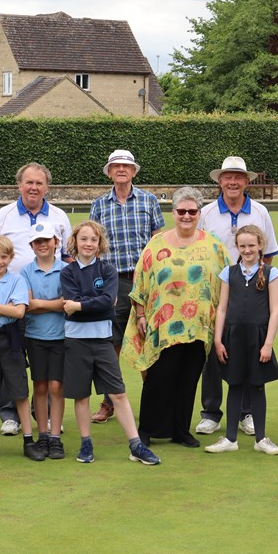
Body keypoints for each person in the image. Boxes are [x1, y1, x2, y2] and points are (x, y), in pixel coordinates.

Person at [121, 187, 231, 448]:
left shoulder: (213, 244)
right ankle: (147, 429)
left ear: (199, 214)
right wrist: (139, 314)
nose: (186, 216)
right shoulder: (157, 244)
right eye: (181, 211)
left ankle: (181, 430)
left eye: (192, 212)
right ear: (173, 212)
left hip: (199, 325)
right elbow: (141, 280)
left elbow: (227, 281)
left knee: (188, 379)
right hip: (164, 324)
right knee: (159, 377)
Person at [61, 221, 160, 465]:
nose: (88, 244)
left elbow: (107, 303)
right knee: (81, 396)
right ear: (75, 242)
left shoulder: (108, 271)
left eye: (93, 240)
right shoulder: (68, 272)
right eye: (83, 239)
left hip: (103, 340)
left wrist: (81, 306)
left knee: (118, 393)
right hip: (76, 341)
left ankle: (136, 445)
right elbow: (74, 304)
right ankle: (86, 444)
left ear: (99, 244)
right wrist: (90, 304)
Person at [196, 156, 278, 438]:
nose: (233, 182)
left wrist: (260, 285)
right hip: (213, 290)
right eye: (227, 177)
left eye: (238, 177)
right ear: (219, 181)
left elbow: (267, 255)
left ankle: (246, 413)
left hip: (251, 289)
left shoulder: (260, 211)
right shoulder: (206, 213)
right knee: (213, 350)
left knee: (248, 347)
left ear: (247, 181)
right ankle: (211, 412)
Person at [0, 162, 72, 434]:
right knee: (10, 358)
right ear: (19, 185)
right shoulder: (4, 214)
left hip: (50, 305)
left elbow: (68, 258)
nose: (33, 187)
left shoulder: (58, 216)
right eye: (29, 182)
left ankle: (43, 415)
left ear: (47, 187)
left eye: (39, 183)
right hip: (10, 303)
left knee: (44, 363)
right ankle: (10, 414)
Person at [88, 149, 165, 424]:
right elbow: (92, 244)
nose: (121, 170)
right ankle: (109, 402)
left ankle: (154, 401)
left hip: (145, 281)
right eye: (116, 166)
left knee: (147, 342)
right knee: (113, 344)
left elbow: (158, 241)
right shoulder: (99, 205)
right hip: (112, 281)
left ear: (134, 171)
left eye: (126, 166)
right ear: (109, 172)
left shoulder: (149, 200)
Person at [205, 225, 278, 456]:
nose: (247, 250)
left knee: (257, 386)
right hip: (233, 338)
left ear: (260, 245)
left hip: (258, 338)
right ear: (237, 247)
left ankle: (261, 438)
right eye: (242, 246)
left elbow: (275, 311)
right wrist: (218, 341)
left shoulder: (271, 273)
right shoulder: (229, 273)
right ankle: (230, 438)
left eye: (251, 245)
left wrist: (268, 343)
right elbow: (221, 308)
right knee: (235, 384)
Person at [0, 235, 46, 462]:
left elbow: (19, 312)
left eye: (4, 257)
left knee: (20, 391)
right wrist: (5, 307)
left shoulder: (17, 280)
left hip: (12, 340)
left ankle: (28, 440)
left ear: (11, 258)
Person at [20, 223, 68, 460]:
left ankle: (56, 436)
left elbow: (68, 304)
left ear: (56, 242)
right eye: (37, 241)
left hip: (61, 336)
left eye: (47, 240)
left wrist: (41, 303)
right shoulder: (26, 272)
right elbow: (28, 305)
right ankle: (43, 435)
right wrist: (55, 304)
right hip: (35, 337)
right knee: (39, 387)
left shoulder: (66, 270)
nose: (42, 245)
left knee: (57, 387)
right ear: (31, 245)